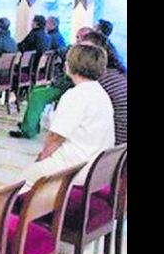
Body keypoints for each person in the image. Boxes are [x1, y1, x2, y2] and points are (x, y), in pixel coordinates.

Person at [20, 43, 114, 186]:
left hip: (74, 169)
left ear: (69, 66)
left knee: (24, 179)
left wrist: (41, 159)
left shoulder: (75, 95)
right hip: (97, 166)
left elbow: (56, 137)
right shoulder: (101, 93)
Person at [10, 27, 93, 139]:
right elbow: (62, 52)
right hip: (65, 83)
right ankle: (31, 125)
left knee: (37, 95)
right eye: (77, 37)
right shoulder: (76, 49)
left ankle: (28, 130)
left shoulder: (87, 54)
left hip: (70, 87)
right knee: (35, 90)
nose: (77, 40)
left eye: (80, 37)